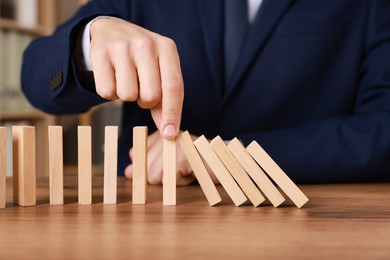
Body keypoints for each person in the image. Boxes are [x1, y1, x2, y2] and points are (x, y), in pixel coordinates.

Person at [22, 0, 390, 184]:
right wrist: (89, 43)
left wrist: (227, 158)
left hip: (302, 221)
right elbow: (37, 76)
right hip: (143, 216)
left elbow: (382, 128)